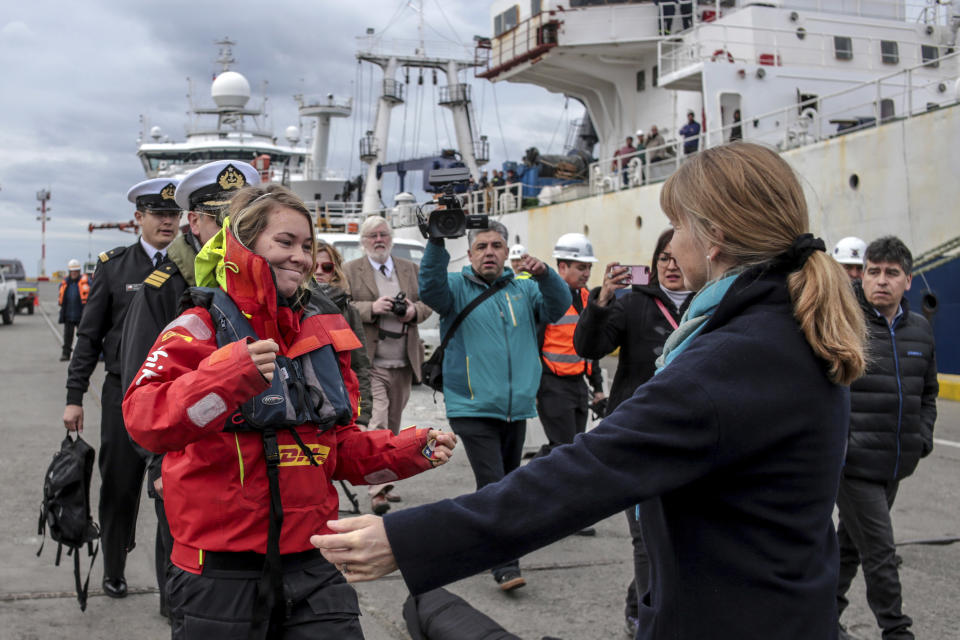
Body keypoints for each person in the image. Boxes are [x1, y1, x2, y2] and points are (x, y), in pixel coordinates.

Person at [311, 143, 869, 640]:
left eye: (676, 225)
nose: (671, 242)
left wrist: (406, 540)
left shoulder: (734, 355)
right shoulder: (787, 328)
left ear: (715, 236)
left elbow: (588, 471)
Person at [122, 183, 457, 639]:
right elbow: (145, 422)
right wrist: (229, 375)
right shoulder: (196, 328)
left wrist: (411, 449)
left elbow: (336, 450)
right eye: (285, 242)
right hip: (219, 575)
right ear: (243, 244)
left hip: (315, 565)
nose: (300, 256)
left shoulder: (320, 332)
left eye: (306, 245)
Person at [119, 160, 259, 617]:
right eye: (220, 218)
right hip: (188, 454)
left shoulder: (264, 282)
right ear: (194, 222)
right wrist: (157, 463)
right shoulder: (163, 287)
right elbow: (142, 385)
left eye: (240, 217)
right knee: (186, 571)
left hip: (254, 454)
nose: (229, 229)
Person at [413, 220, 569, 591]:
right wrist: (436, 240)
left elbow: (558, 306)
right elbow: (430, 288)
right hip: (471, 406)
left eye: (496, 246)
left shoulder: (524, 290)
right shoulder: (454, 287)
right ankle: (504, 563)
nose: (489, 252)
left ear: (506, 252)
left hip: (514, 407)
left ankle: (472, 540)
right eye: (481, 246)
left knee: (505, 484)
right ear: (468, 255)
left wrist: (545, 274)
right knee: (495, 484)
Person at [63, 177, 182, 599]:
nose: (168, 222)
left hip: (175, 395)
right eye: (159, 214)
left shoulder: (191, 265)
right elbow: (89, 337)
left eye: (174, 214)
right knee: (118, 485)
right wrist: (74, 398)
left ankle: (173, 589)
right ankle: (114, 567)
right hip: (123, 395)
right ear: (139, 218)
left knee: (174, 492)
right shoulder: (115, 267)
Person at [574, 228, 692, 637]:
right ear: (653, 263)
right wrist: (601, 300)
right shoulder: (634, 305)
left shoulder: (710, 304)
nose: (671, 266)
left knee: (676, 535)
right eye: (664, 258)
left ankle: (638, 600)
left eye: (679, 257)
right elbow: (588, 348)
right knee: (645, 538)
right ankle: (648, 619)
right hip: (637, 436)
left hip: (689, 437)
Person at [836, 236, 937, 640]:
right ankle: (897, 631)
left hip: (895, 464)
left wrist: (921, 437)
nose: (880, 281)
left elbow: (927, 394)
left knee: (849, 547)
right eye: (872, 271)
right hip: (854, 465)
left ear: (908, 281)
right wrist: (841, 445)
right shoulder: (846, 325)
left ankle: (822, 617)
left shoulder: (920, 331)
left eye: (891, 273)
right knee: (880, 553)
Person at [342, 217, 432, 512]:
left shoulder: (410, 269)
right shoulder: (350, 270)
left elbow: (427, 304)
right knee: (376, 422)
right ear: (363, 241)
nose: (378, 240)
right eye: (372, 236)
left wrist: (412, 311)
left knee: (392, 427)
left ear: (390, 237)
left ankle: (384, 479)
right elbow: (340, 306)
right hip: (371, 361)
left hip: (403, 360)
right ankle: (376, 490)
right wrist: (371, 308)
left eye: (383, 234)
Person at [536, 233, 605, 460]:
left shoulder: (587, 298)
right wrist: (535, 387)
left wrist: (597, 387)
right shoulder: (545, 298)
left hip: (578, 384)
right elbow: (534, 342)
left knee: (575, 447)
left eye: (588, 268)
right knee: (562, 448)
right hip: (552, 383)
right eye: (581, 267)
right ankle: (525, 480)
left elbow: (591, 347)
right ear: (562, 266)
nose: (586, 273)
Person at [313, 239, 372, 428]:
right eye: (314, 265)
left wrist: (363, 416)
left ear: (335, 271)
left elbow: (360, 365)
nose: (319, 271)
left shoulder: (348, 311)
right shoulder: (288, 305)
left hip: (340, 405)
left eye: (327, 267)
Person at [58, 259, 89, 361]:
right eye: (72, 271)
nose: (74, 273)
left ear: (79, 271)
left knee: (84, 337)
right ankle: (66, 354)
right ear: (69, 272)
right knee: (67, 337)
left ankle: (83, 355)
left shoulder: (87, 282)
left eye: (76, 271)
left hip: (82, 315)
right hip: (68, 314)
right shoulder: (65, 284)